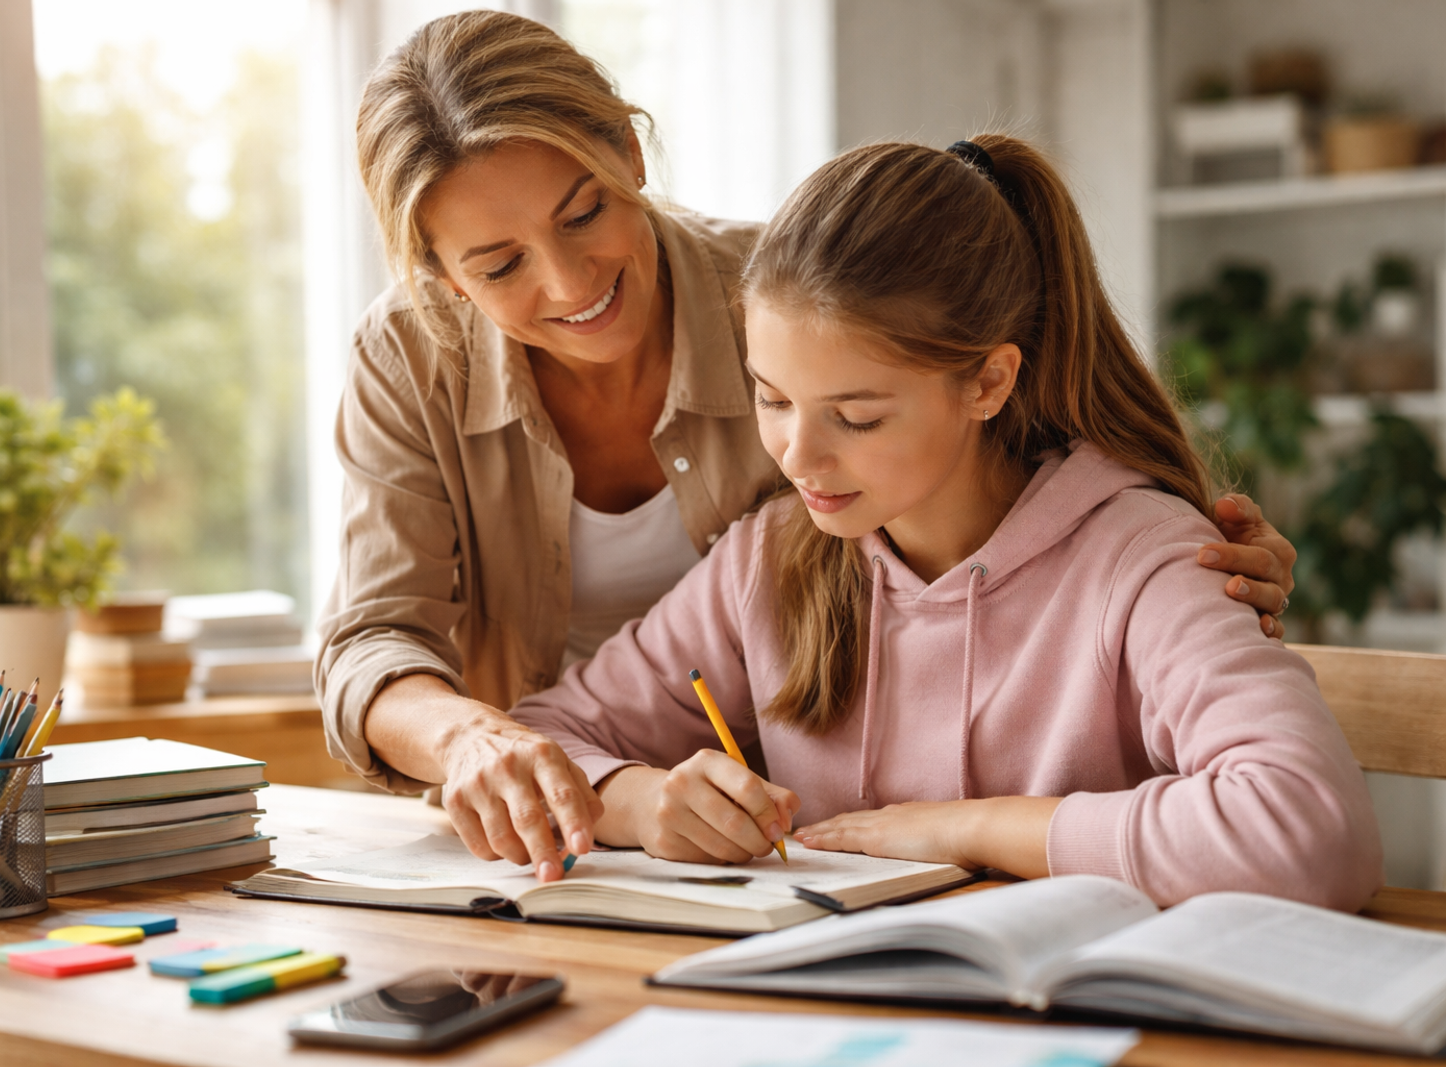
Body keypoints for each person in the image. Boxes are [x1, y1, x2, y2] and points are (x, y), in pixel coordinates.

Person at [318, 10, 1302, 885]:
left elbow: (1010, 423)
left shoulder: (789, 286)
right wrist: (546, 766)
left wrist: (1176, 529)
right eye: (771, 400)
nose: (570, 279)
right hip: (677, 855)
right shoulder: (764, 554)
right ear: (443, 277)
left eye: (584, 213)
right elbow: (382, 643)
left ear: (628, 149)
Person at [509, 136, 1382, 910]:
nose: (797, 457)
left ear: (989, 383)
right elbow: (539, 734)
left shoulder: (1143, 557)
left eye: (856, 416)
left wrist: (970, 828)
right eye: (771, 399)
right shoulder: (771, 559)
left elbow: (1314, 831)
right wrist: (637, 801)